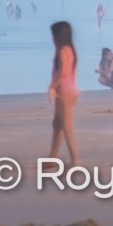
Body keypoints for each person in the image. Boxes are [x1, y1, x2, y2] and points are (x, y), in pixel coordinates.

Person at [45, 21, 79, 170]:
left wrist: (52, 86)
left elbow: (63, 72)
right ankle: (52, 158)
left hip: (65, 93)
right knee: (57, 125)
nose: (52, 39)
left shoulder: (63, 51)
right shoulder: (68, 50)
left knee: (66, 127)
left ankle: (75, 160)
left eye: (53, 36)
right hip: (67, 91)